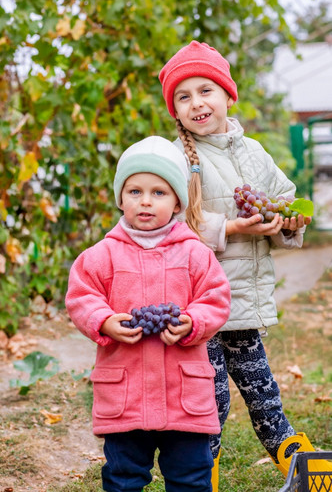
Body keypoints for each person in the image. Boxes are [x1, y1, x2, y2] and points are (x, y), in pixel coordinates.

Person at [158, 40, 330, 487]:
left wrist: (287, 223)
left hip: (243, 305)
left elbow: (286, 203)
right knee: (210, 403)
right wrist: (233, 230)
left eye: (206, 90)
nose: (197, 102)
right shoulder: (178, 159)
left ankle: (304, 469)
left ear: (227, 95)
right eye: (184, 95)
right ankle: (200, 478)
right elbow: (170, 227)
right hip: (199, 309)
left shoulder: (254, 151)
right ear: (175, 110)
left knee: (264, 394)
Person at [65, 135, 231, 492]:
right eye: (134, 191)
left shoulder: (196, 254)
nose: (145, 201)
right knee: (123, 477)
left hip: (183, 397)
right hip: (126, 397)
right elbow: (81, 296)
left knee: (191, 477)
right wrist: (103, 320)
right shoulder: (101, 255)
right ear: (120, 198)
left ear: (176, 202)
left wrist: (193, 322)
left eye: (158, 192)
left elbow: (216, 298)